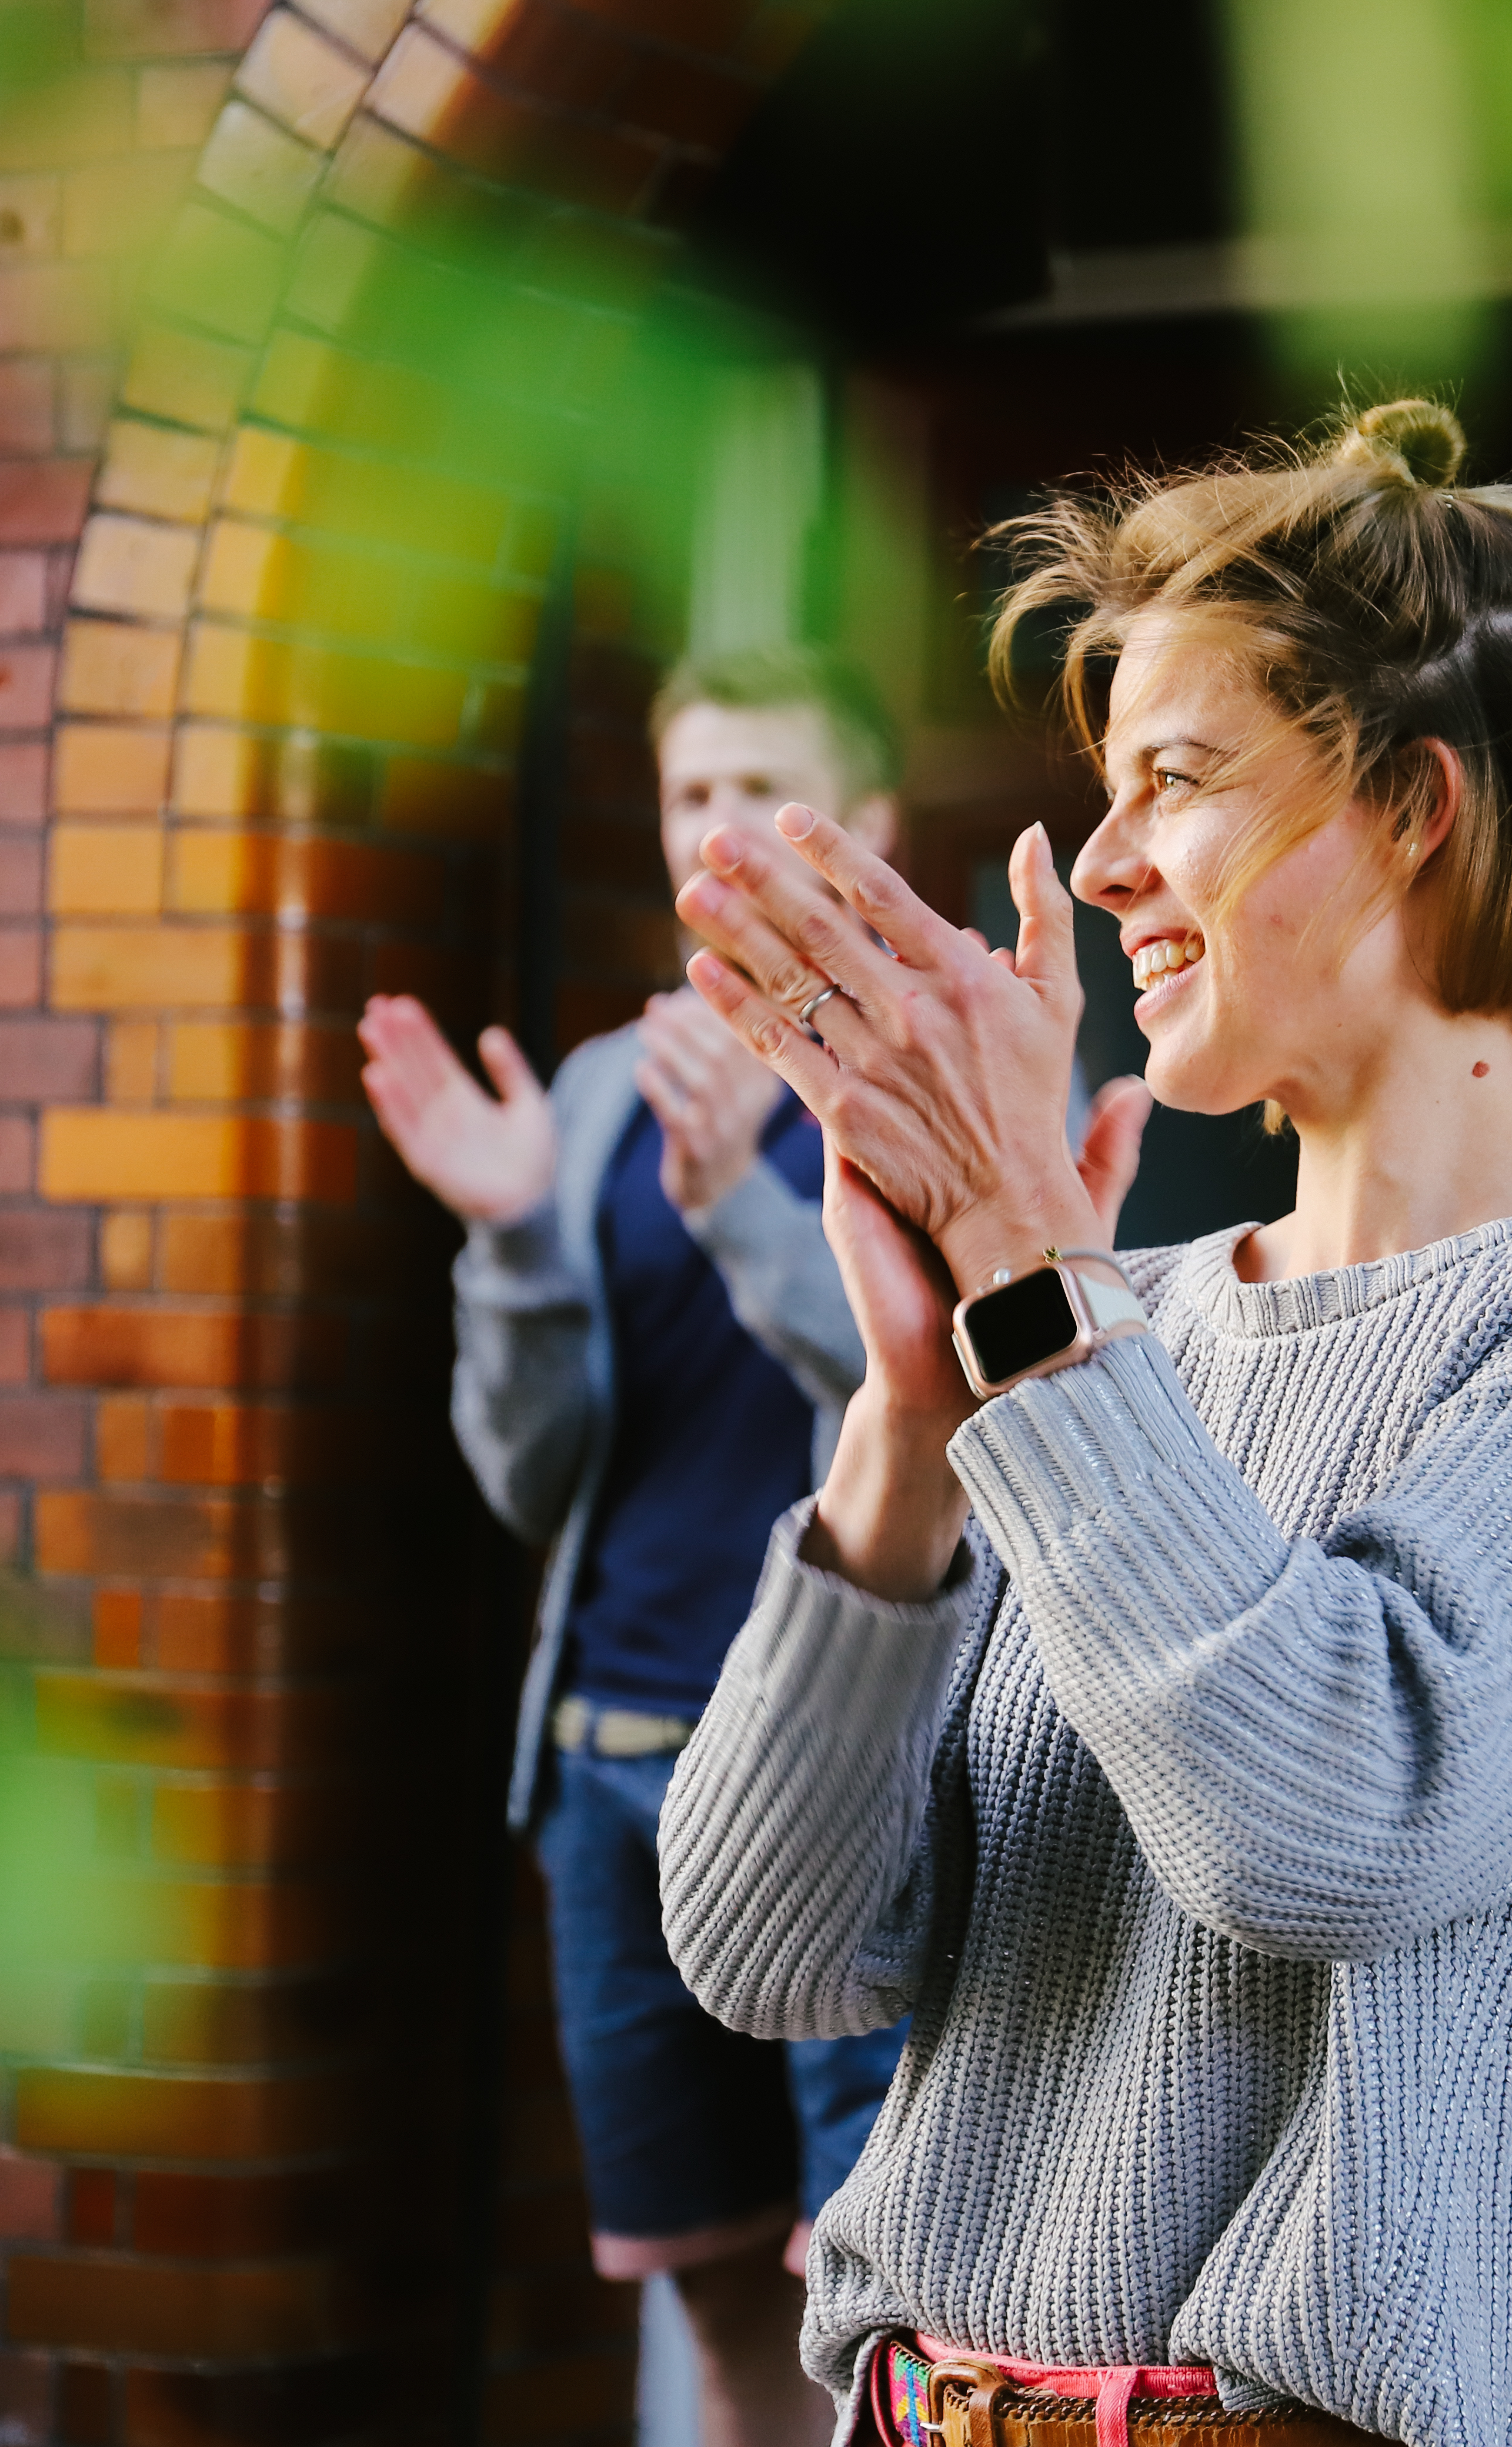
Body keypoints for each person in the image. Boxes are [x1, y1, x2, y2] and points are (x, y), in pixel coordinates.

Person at [653, 401, 1512, 2447]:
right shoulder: (1120, 1341)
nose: (1106, 866)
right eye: (1102, 796)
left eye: (1178, 782)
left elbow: (1327, 1811)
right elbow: (770, 1946)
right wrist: (920, 1416)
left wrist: (1032, 1274)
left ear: (1417, 807)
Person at [359, 648, 1102, 2447]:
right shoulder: (611, 1090)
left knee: (875, 2282)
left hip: (838, 1788)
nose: (712, 830)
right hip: (611, 1768)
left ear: (860, 828)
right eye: (687, 792)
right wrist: (520, 1235)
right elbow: (533, 1483)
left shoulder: (943, 1094)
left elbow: (955, 1405)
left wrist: (742, 1212)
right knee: (701, 2276)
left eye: (755, 790)